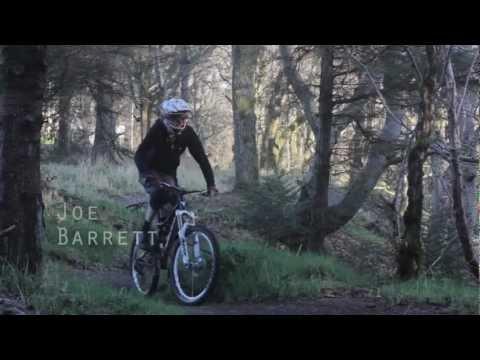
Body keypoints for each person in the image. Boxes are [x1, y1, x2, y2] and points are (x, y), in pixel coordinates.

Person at [134, 98, 218, 249]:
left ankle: (168, 240)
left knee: (177, 202)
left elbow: (202, 159)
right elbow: (140, 154)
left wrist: (211, 184)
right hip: (151, 170)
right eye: (177, 118)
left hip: (169, 173)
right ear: (167, 118)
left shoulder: (188, 133)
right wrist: (146, 173)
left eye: (184, 117)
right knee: (159, 194)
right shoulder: (158, 129)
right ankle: (145, 231)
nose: (181, 122)